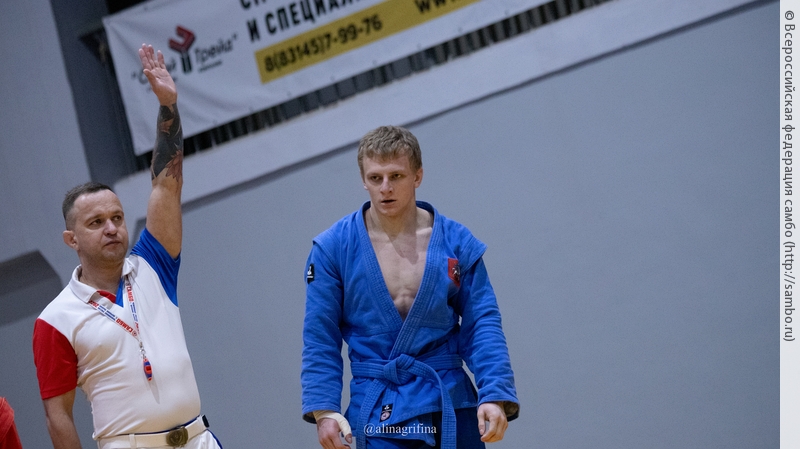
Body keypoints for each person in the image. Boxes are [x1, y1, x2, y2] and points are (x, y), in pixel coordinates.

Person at [32, 44, 222, 449]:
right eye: (96, 222)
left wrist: (168, 106)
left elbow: (166, 184)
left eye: (117, 218)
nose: (111, 228)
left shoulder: (153, 265)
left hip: (198, 439)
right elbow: (58, 417)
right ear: (71, 240)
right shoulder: (55, 320)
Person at [301, 126, 519, 449]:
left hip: (448, 399)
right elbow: (320, 334)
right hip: (379, 408)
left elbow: (482, 322)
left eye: (396, 176)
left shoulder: (456, 242)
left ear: (417, 176)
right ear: (363, 180)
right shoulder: (333, 249)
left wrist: (494, 393)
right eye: (375, 178)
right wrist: (325, 410)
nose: (385, 188)